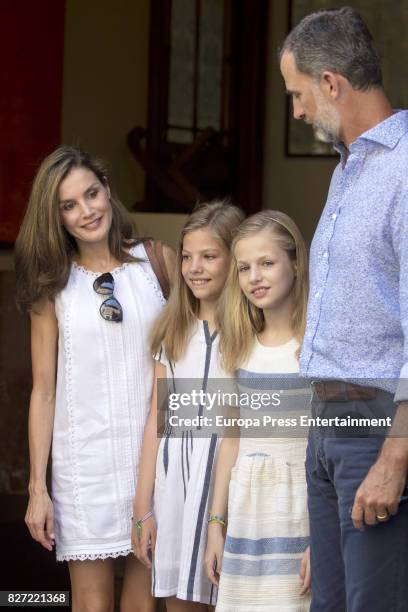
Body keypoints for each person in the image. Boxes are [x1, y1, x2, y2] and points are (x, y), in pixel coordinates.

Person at [279, 7, 408, 612]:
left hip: (377, 431)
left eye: (298, 94)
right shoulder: (349, 169)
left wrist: (396, 452)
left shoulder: (405, 169)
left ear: (331, 83)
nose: (297, 111)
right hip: (328, 427)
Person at [15, 145, 175, 612]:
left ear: (108, 190)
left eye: (92, 194)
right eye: (70, 204)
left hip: (154, 459)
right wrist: (37, 488)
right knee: (91, 603)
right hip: (85, 466)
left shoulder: (157, 264)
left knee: (144, 602)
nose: (87, 211)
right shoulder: (52, 286)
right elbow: (44, 391)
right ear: (57, 216)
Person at [132, 201, 244, 611]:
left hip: (227, 489)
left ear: (235, 259)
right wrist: (142, 507)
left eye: (209, 256)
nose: (195, 267)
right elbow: (156, 424)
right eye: (187, 256)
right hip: (174, 489)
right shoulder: (172, 331)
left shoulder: (251, 335)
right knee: (180, 602)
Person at [205, 210, 311, 611]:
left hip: (298, 514)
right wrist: (216, 525)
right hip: (248, 516)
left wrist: (321, 539)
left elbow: (328, 449)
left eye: (267, 263)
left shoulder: (314, 351)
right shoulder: (237, 347)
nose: (255, 277)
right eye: (244, 267)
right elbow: (230, 442)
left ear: (296, 264)